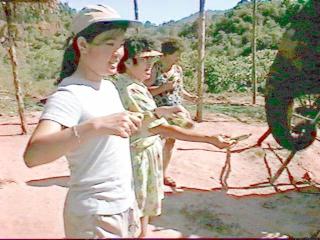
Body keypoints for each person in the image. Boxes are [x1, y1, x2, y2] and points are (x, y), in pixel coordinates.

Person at [23, 5, 143, 238]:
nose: (119, 52)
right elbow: (33, 155)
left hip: (123, 204)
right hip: (95, 216)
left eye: (120, 44)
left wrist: (158, 116)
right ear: (83, 45)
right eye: (109, 43)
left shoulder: (107, 86)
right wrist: (95, 126)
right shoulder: (69, 95)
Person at [115, 36, 235, 237]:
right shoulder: (130, 89)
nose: (150, 65)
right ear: (127, 62)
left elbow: (146, 116)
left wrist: (166, 110)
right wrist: (209, 139)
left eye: (151, 60)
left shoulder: (134, 84)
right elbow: (159, 128)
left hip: (143, 153)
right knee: (136, 210)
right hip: (138, 157)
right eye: (144, 60)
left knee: (142, 208)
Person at [144, 38, 198, 187]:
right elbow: (143, 91)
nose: (178, 58)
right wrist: (163, 88)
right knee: (154, 142)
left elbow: (179, 89)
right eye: (176, 54)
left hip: (175, 110)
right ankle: (151, 174)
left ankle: (163, 174)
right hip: (158, 111)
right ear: (166, 54)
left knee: (170, 141)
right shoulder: (154, 69)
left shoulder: (178, 70)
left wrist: (189, 97)